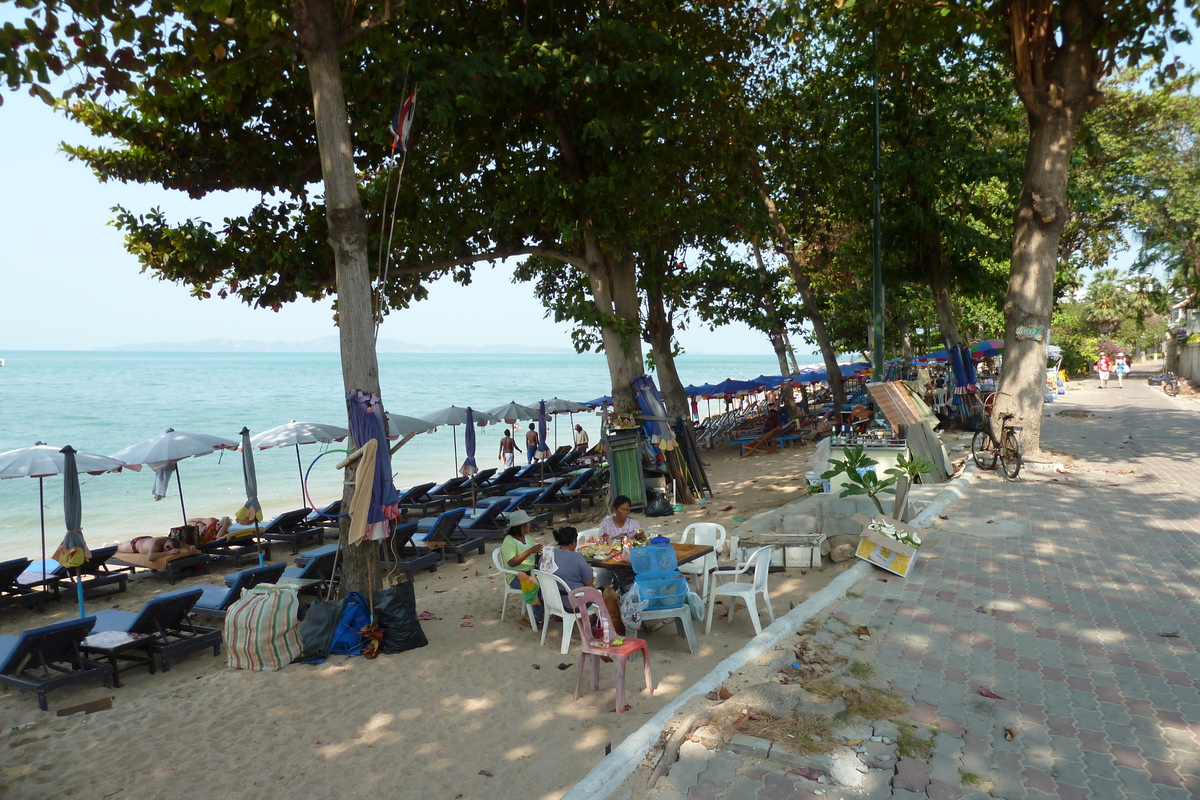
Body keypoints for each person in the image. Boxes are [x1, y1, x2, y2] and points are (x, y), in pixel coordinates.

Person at [500, 509, 543, 626]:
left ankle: (549, 611)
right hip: (516, 576)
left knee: (550, 581)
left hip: (532, 570)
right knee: (536, 586)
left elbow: (535, 553)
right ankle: (537, 618)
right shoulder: (509, 541)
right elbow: (512, 562)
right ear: (520, 526)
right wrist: (530, 551)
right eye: (526, 524)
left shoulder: (528, 538)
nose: (529, 525)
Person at [542, 526, 594, 599]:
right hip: (574, 602)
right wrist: (589, 569)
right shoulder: (576, 557)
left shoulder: (546, 554)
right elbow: (589, 582)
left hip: (550, 600)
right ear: (573, 542)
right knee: (595, 589)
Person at [117, 536, 199, 561]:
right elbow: (150, 557)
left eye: (170, 549)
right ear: (166, 542)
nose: (167, 549)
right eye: (167, 547)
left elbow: (189, 546)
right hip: (135, 545)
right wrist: (169, 553)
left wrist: (192, 547)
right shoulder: (158, 543)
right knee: (118, 548)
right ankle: (109, 544)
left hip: (147, 539)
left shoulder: (174, 541)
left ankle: (119, 541)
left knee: (122, 543)